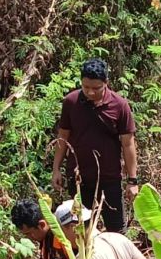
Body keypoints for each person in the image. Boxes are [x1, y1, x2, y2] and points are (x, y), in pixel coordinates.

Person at [52, 58, 138, 233]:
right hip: (78, 178)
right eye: (85, 87)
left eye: (96, 88)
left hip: (109, 178)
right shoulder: (71, 102)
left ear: (106, 83)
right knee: (82, 230)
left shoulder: (119, 106)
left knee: (116, 231)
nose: (90, 92)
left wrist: (132, 180)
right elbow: (63, 137)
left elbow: (128, 144)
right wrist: (56, 169)